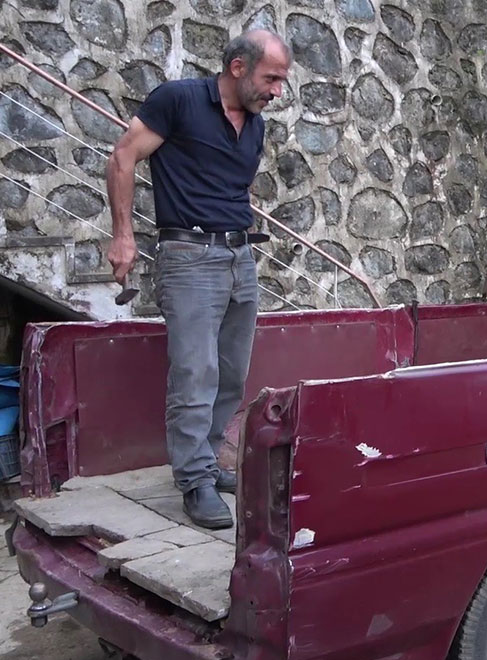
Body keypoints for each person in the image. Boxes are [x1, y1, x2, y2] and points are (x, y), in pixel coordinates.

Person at [104, 30, 292, 529]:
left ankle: (206, 464)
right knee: (195, 374)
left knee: (231, 373)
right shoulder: (179, 101)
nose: (277, 91)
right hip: (188, 255)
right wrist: (124, 236)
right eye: (271, 78)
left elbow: (233, 186)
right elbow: (123, 157)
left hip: (239, 256)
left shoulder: (255, 125)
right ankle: (193, 481)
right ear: (237, 68)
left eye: (281, 81)